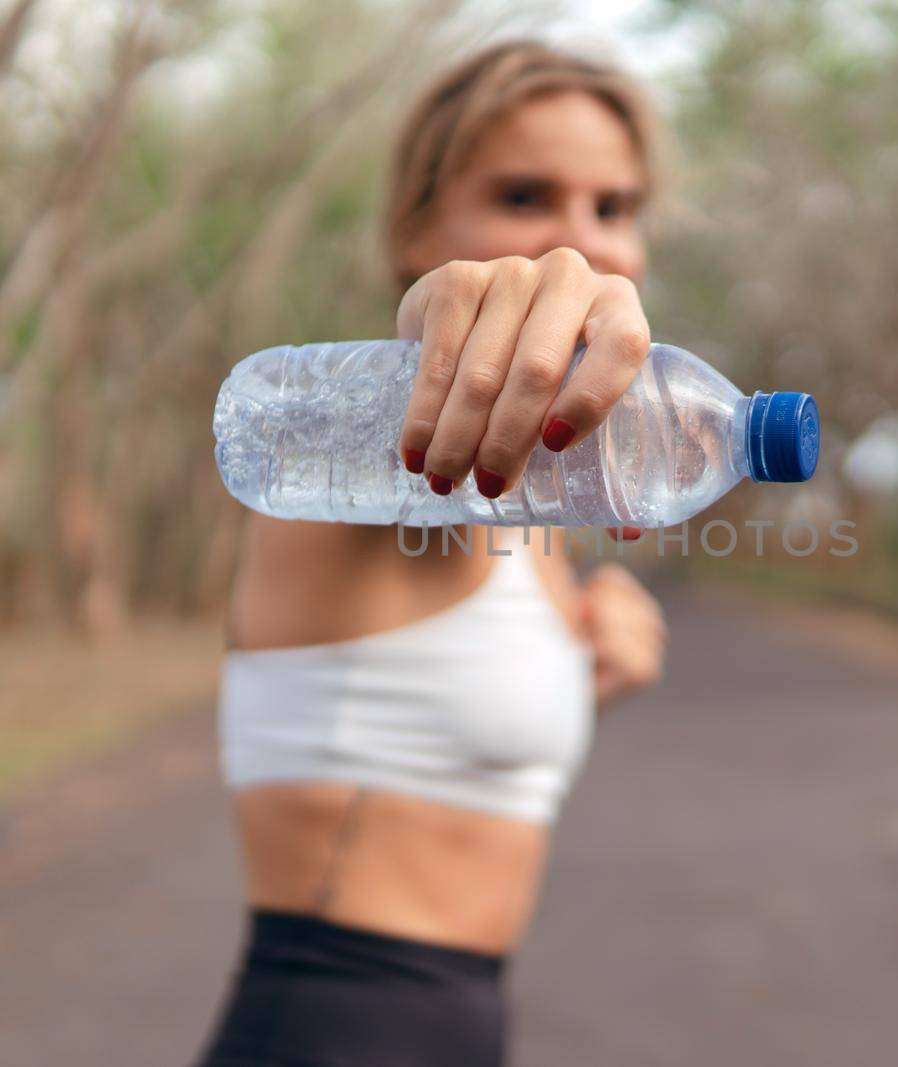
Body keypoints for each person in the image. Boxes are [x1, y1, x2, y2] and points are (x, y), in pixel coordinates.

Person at [194, 40, 670, 1067]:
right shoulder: (369, 455)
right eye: (522, 195)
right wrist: (435, 325)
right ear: (418, 231)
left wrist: (596, 612)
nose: (579, 246)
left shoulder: (521, 506)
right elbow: (335, 423)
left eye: (613, 208)